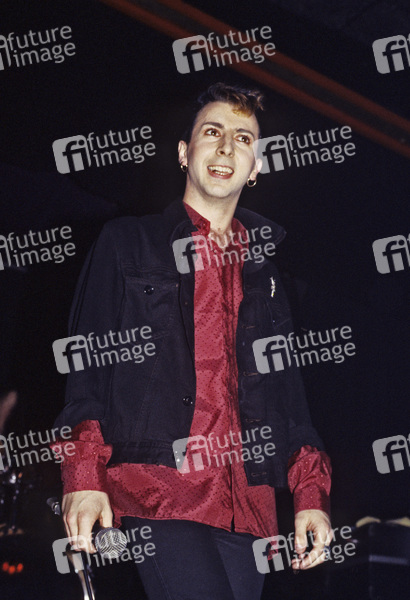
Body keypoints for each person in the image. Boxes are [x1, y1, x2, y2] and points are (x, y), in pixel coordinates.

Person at [52, 82, 332, 600]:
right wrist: (82, 475)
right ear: (184, 153)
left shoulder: (267, 276)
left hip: (248, 506)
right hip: (161, 489)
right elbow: (86, 368)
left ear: (256, 166)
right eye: (212, 132)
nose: (226, 147)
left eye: (243, 139)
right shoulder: (128, 241)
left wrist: (310, 494)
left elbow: (290, 398)